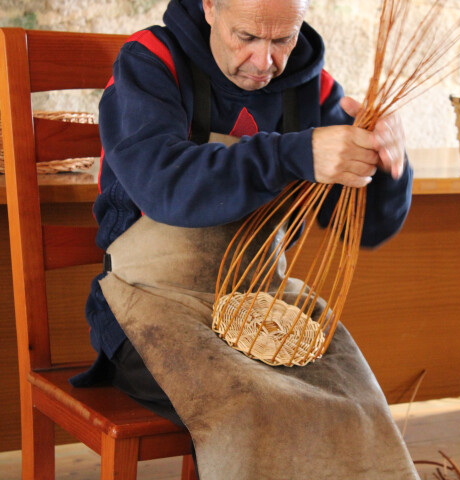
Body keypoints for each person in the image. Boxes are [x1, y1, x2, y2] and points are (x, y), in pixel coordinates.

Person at [72, 0, 413, 443]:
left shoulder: (317, 90)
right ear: (210, 6)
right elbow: (165, 188)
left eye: (283, 40)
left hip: (263, 303)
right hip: (144, 305)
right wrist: (296, 153)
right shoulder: (151, 62)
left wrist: (386, 165)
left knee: (358, 410)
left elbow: (363, 229)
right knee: (257, 409)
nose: (264, 61)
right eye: (247, 37)